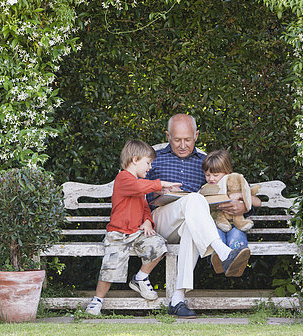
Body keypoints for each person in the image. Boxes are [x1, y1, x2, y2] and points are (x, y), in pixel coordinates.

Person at [146, 114, 253, 318]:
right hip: (159, 221)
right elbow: (135, 191)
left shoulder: (206, 162)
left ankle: (177, 300)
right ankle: (224, 253)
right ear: (168, 136)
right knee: (195, 199)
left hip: (190, 224)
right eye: (177, 139)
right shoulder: (154, 159)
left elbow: (233, 187)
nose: (183, 145)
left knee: (192, 225)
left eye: (188, 139)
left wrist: (242, 206)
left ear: (196, 135)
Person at [85, 140, 182, 316]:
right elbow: (138, 187)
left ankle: (140, 277)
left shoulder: (140, 185)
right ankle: (97, 299)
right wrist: (161, 184)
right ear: (135, 159)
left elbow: (145, 207)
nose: (150, 167)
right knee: (110, 268)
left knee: (159, 245)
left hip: (137, 233)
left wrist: (147, 221)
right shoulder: (123, 178)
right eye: (148, 163)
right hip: (118, 234)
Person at [201, 149, 261, 274]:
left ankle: (237, 262)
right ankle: (218, 260)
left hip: (236, 225)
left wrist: (241, 196)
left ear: (227, 172)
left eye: (215, 175)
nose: (211, 178)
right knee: (216, 236)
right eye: (207, 174)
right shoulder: (206, 188)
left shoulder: (236, 184)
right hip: (216, 225)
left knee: (237, 235)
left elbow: (257, 201)